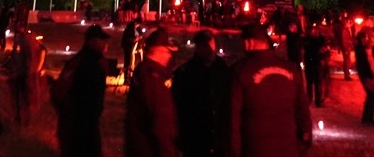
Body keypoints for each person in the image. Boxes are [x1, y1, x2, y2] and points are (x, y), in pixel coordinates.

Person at [230, 23, 312, 157]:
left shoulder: (241, 71)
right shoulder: (290, 69)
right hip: (288, 148)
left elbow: (232, 117)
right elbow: (302, 107)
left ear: (248, 42)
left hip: (255, 149)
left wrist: (234, 151)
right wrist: (304, 140)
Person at [53, 24, 111, 157]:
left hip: (89, 121)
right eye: (103, 41)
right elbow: (60, 90)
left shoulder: (97, 62)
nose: (106, 44)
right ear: (93, 41)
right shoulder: (81, 63)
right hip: (77, 123)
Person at [172, 29, 230, 157]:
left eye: (211, 44)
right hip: (195, 139)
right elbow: (179, 108)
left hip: (219, 140)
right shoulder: (185, 74)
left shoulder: (224, 70)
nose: (210, 49)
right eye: (205, 45)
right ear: (198, 47)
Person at [125, 27, 179, 157]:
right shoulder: (154, 84)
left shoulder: (142, 74)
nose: (170, 57)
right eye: (167, 51)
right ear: (156, 52)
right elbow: (162, 130)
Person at [10, 27, 46, 128]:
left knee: (23, 97)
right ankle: (24, 119)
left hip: (25, 73)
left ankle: (24, 119)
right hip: (26, 73)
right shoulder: (28, 42)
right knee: (24, 97)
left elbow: (22, 58)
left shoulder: (23, 42)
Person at [354, 27, 374, 124]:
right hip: (366, 75)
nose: (366, 40)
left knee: (372, 95)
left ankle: (367, 117)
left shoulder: (361, 49)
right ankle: (368, 118)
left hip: (365, 75)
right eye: (364, 38)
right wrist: (369, 75)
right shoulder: (360, 50)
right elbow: (363, 64)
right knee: (373, 95)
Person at [301, 23, 328, 108]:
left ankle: (317, 101)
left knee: (317, 82)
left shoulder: (320, 39)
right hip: (310, 61)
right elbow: (305, 49)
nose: (313, 32)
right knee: (310, 82)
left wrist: (324, 53)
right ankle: (310, 99)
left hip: (316, 62)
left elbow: (324, 49)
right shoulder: (306, 39)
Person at [121, 19, 138, 85]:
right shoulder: (130, 30)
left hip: (128, 47)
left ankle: (128, 77)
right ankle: (126, 78)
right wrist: (135, 39)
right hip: (128, 48)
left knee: (128, 62)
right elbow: (129, 39)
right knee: (128, 63)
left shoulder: (130, 29)